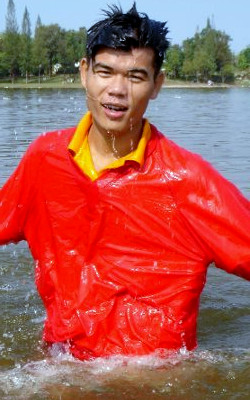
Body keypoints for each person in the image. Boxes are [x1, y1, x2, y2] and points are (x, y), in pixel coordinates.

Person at [0, 3, 249, 361]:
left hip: (152, 379)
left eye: (135, 76)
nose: (117, 90)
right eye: (105, 71)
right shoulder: (45, 160)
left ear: (157, 84)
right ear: (85, 72)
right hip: (58, 368)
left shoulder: (186, 181)